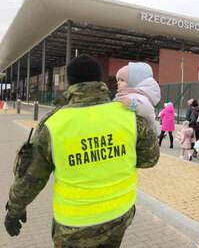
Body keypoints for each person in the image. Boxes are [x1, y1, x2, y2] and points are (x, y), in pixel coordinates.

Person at [4, 55, 160, 247]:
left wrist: (15, 209)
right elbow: (150, 159)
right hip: (119, 216)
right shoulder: (129, 117)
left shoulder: (53, 125)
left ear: (70, 83)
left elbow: (32, 178)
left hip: (74, 226)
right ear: (100, 81)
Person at [114, 62, 161, 134]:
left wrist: (133, 104)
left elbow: (148, 110)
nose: (118, 83)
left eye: (122, 80)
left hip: (140, 133)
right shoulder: (121, 95)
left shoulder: (138, 96)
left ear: (133, 82)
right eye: (118, 80)